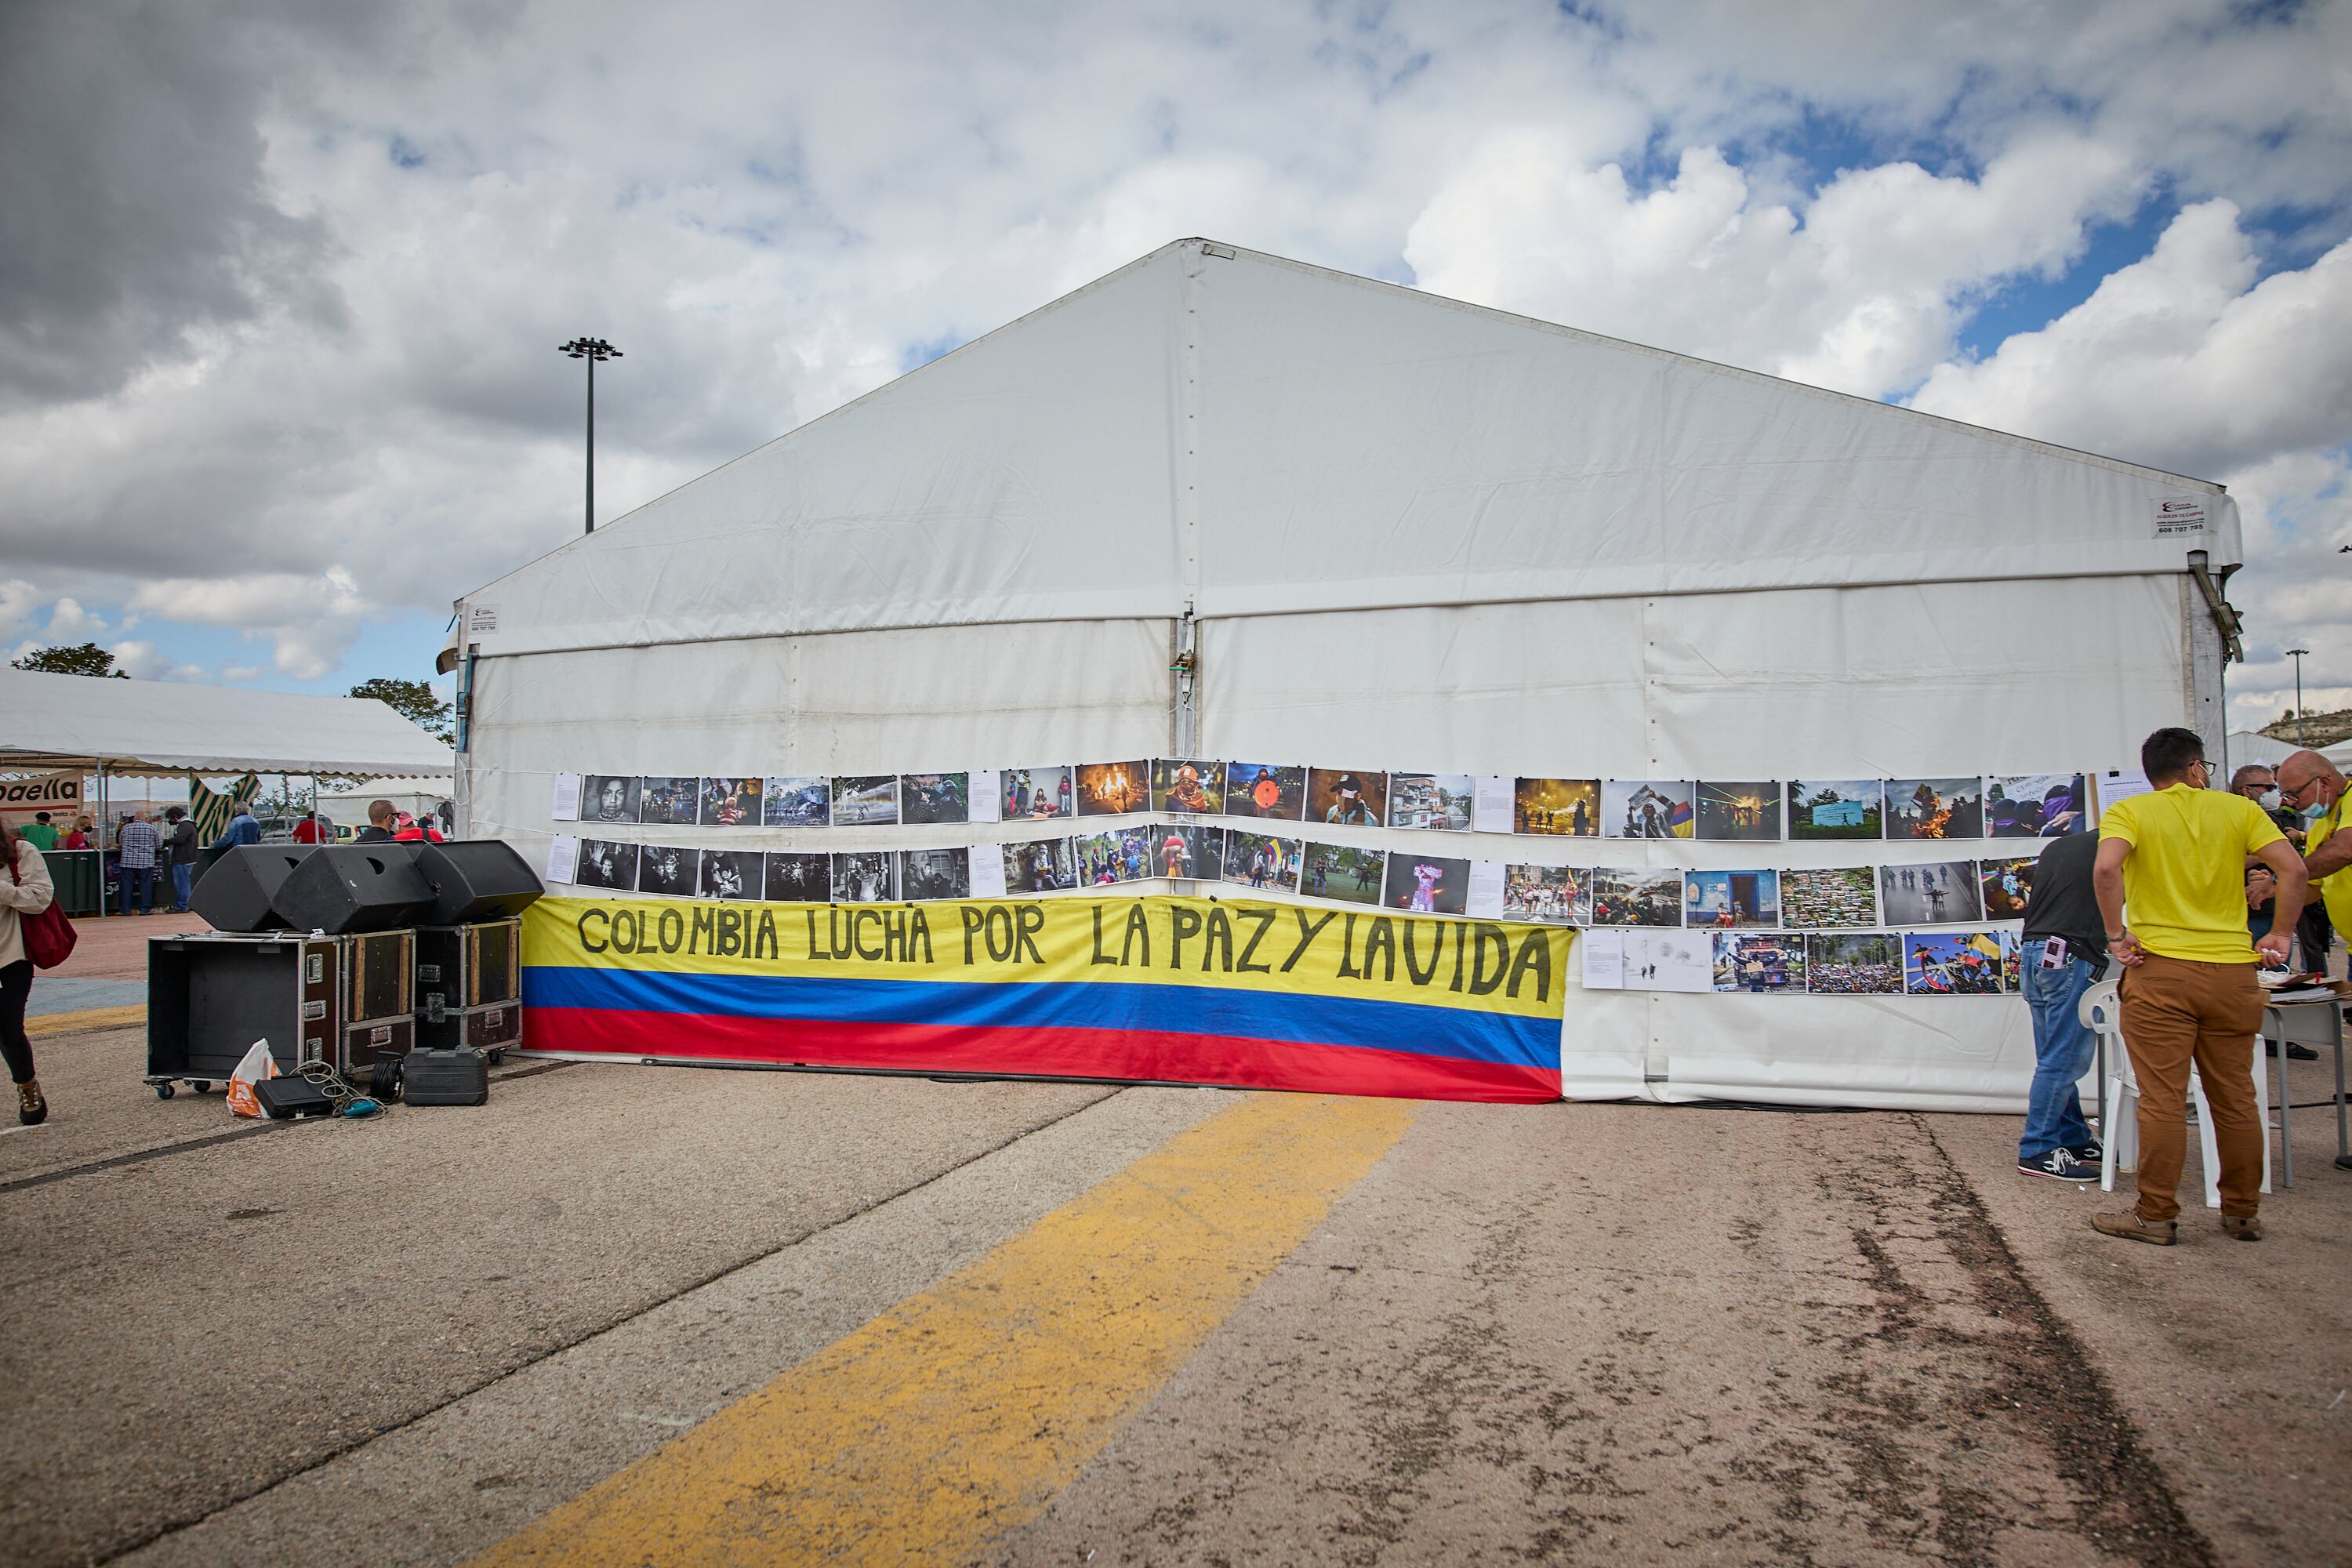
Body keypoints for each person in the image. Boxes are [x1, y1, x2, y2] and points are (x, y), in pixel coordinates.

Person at [2092, 728, 2306, 1244]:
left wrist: (2116, 936)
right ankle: (2241, 1210)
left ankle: (2156, 1214)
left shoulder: (2133, 812)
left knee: (2162, 1097)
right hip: (2233, 972)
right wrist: (2280, 931)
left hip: (2161, 969)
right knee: (2234, 1096)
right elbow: (2294, 871)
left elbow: (2105, 868)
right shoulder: (2240, 812)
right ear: (2194, 768)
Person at [2014, 829, 2108, 1180]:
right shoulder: (2117, 846)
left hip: (2036, 953)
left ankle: (2072, 1136)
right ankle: (2038, 1149)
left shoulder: (2061, 846)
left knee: (2054, 1056)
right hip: (2071, 955)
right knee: (2064, 1060)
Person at [2, 818, 56, 1125]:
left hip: (10, 955)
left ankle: (27, 1085)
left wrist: (4, 891)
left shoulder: (20, 852)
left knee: (8, 1029)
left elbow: (40, 898)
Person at [2276, 750, 2350, 976]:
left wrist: (2284, 877)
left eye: (2294, 794)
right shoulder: (2319, 826)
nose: (2290, 803)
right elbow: (2312, 890)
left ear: (2324, 782)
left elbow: (2345, 850)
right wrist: (2273, 890)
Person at [116, 810, 159, 915]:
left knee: (126, 887)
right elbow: (159, 845)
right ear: (146, 819)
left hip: (128, 861)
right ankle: (145, 909)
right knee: (146, 886)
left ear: (134, 819)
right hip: (146, 862)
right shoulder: (152, 828)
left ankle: (125, 910)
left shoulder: (126, 828)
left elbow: (120, 842)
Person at [160, 806, 198, 913]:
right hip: (185, 858)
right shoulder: (189, 825)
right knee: (183, 882)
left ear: (175, 816)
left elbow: (180, 840)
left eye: (171, 818)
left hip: (182, 858)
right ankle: (184, 904)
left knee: (182, 883)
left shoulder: (185, 826)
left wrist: (166, 841)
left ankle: (182, 905)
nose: (170, 821)